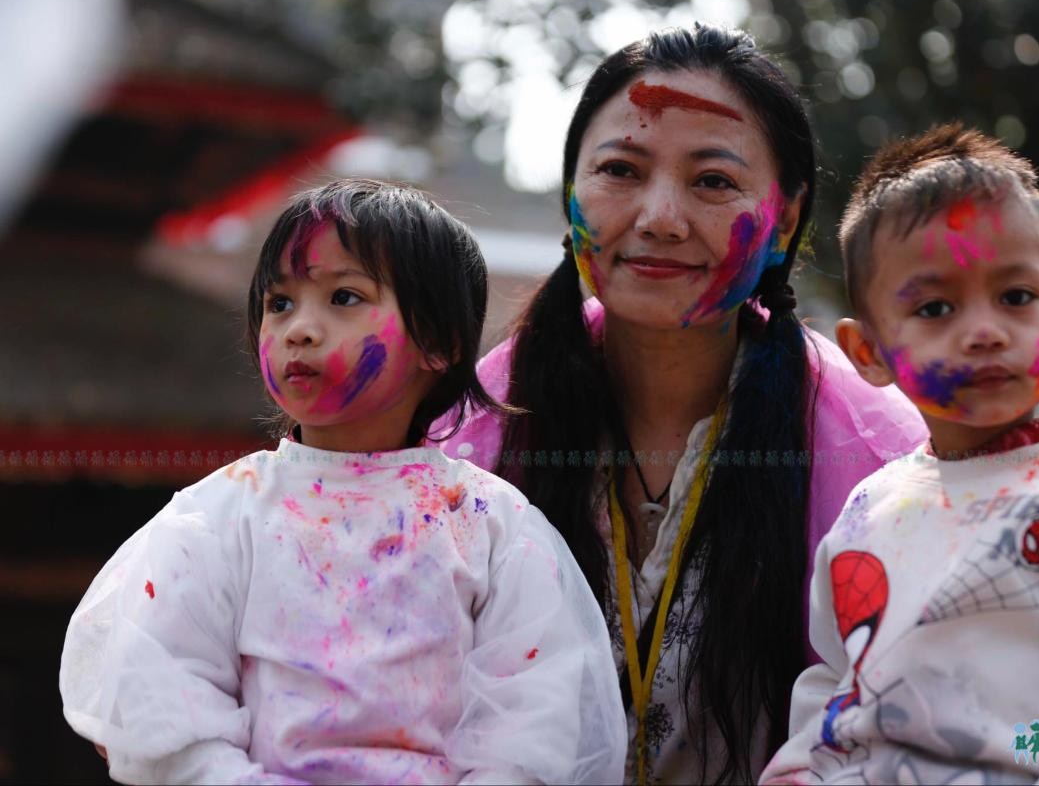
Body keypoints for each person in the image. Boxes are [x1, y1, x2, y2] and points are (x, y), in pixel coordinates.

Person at [433, 25, 927, 784]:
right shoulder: (464, 437)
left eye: (713, 181)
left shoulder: (881, 461)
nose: (660, 216)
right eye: (621, 170)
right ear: (572, 191)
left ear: (785, 222)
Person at [59, 179, 626, 785]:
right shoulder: (221, 515)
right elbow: (164, 691)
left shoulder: (490, 524)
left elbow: (538, 712)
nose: (299, 328)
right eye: (280, 303)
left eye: (345, 297)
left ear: (438, 343)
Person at [761, 125, 1039, 784]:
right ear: (869, 354)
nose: (986, 331)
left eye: (1016, 298)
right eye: (936, 307)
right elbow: (834, 681)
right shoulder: (866, 513)